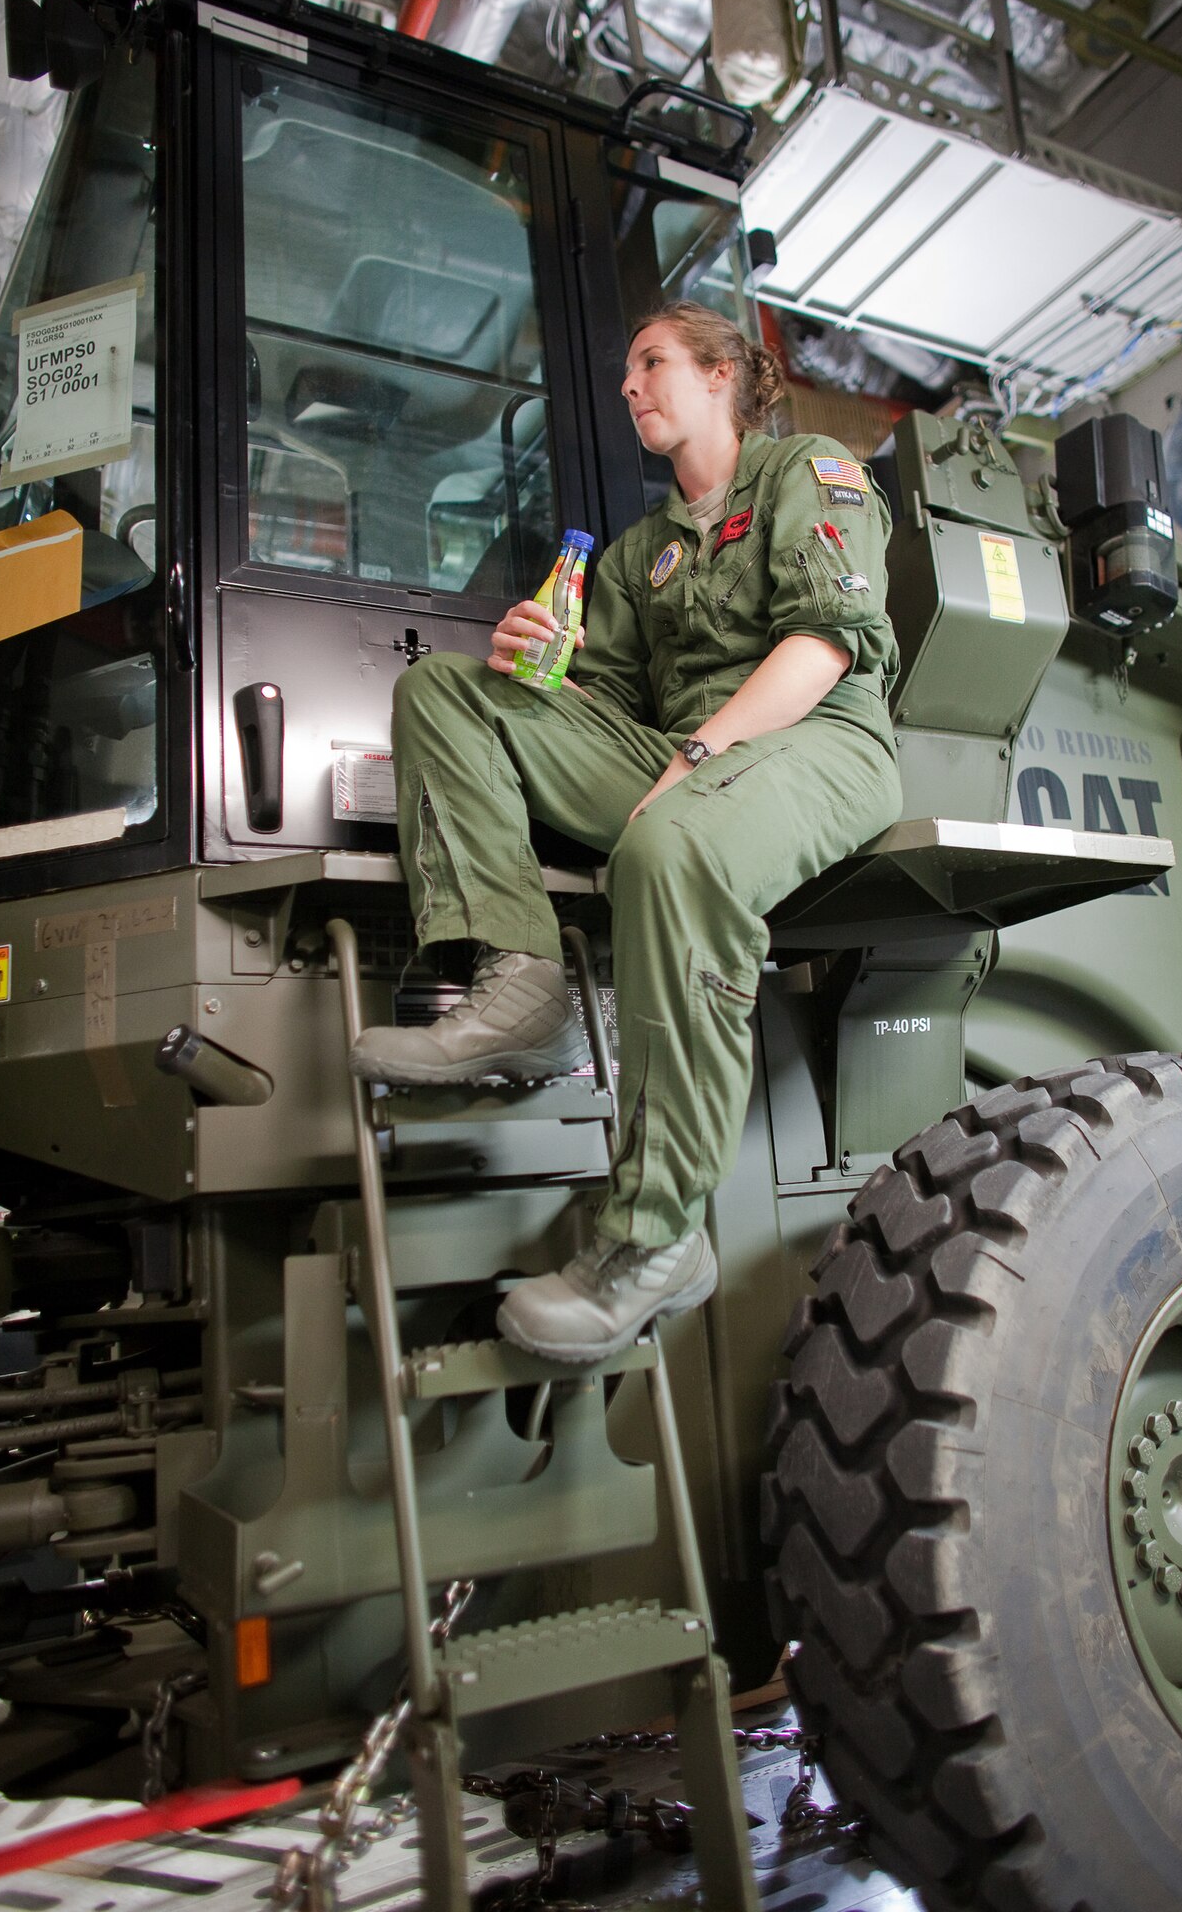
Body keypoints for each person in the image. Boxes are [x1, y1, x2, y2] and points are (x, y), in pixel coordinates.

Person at [350, 301, 902, 1362]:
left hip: (818, 737)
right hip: (685, 755)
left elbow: (823, 649)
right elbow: (596, 706)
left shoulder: (804, 472)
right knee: (442, 692)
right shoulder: (633, 555)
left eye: (650, 362)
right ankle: (521, 984)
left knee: (667, 847)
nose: (630, 384)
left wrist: (694, 762)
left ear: (718, 376)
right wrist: (526, 666)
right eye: (627, 370)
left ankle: (657, 1237)